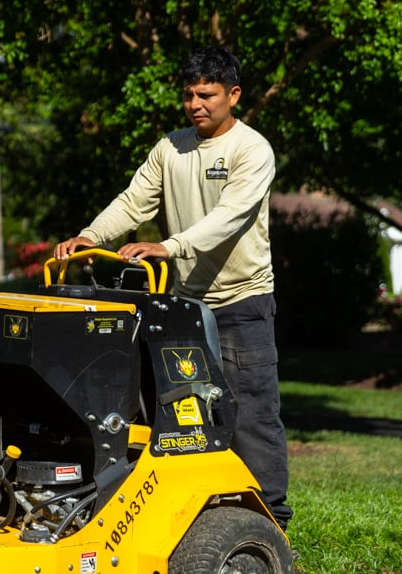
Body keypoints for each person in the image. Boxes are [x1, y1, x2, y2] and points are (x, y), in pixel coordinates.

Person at [54, 46, 292, 530]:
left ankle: (271, 528)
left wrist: (170, 245)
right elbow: (134, 200)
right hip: (182, 306)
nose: (195, 104)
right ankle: (194, 519)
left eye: (206, 94)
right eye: (188, 95)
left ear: (234, 95)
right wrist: (91, 236)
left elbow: (230, 218)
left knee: (251, 419)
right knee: (175, 416)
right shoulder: (171, 147)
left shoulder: (252, 150)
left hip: (240, 304)